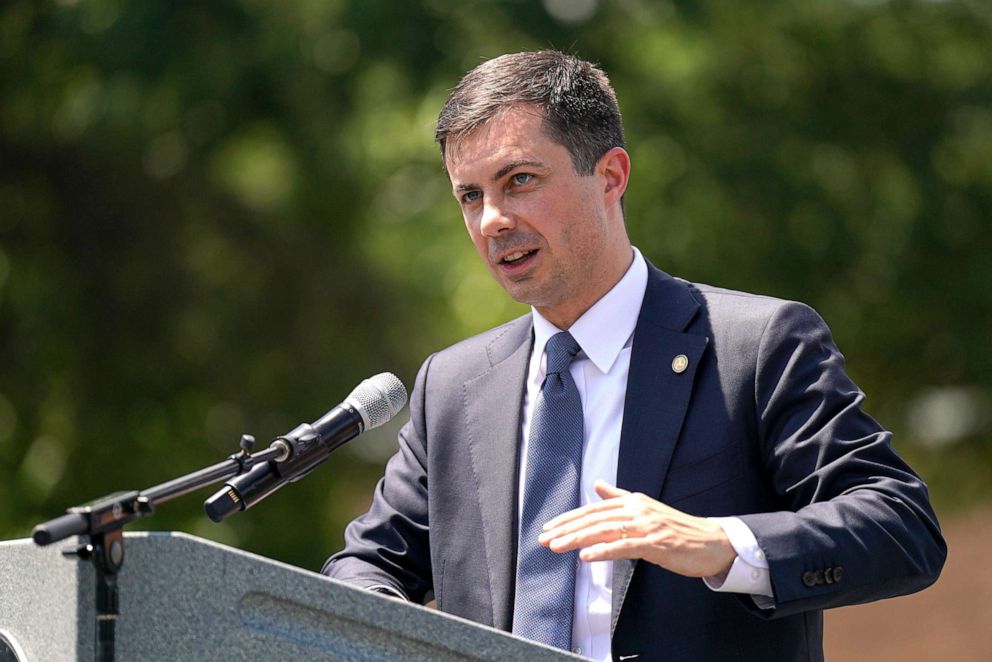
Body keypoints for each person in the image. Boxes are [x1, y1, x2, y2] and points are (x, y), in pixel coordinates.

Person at [322, 51, 945, 661]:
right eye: (469, 196)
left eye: (519, 181)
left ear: (612, 176)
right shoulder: (452, 385)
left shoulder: (755, 346)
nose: (491, 221)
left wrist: (723, 542)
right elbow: (366, 566)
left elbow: (900, 527)